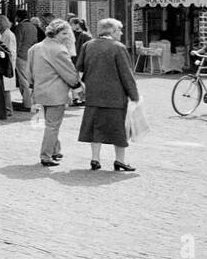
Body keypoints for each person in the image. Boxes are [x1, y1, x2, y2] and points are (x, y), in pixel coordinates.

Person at [76, 18, 140, 171]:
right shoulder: (118, 47)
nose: (121, 33)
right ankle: (120, 160)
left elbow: (79, 67)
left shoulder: (88, 45)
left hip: (94, 95)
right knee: (118, 129)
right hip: (115, 96)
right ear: (112, 30)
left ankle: (95, 159)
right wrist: (134, 95)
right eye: (119, 30)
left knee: (95, 128)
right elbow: (126, 74)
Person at [27, 19, 81, 167]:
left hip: (40, 92)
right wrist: (77, 86)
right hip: (56, 93)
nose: (67, 36)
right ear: (56, 33)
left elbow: (29, 72)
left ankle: (55, 150)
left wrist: (33, 87)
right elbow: (68, 72)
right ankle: (46, 156)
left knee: (50, 124)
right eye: (64, 33)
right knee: (53, 125)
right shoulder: (59, 50)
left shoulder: (34, 48)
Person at [13, 9, 41, 110]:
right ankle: (32, 101)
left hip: (21, 56)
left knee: (23, 80)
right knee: (29, 80)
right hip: (31, 55)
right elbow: (35, 41)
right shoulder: (33, 27)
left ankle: (27, 104)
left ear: (18, 17)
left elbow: (18, 42)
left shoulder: (20, 27)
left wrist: (15, 55)